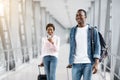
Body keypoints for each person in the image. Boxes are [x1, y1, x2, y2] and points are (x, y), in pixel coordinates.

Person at [66, 9, 101, 80]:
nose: (78, 17)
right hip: (75, 63)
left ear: (85, 17)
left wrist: (96, 63)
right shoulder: (73, 30)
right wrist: (70, 61)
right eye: (77, 15)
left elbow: (97, 46)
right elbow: (72, 47)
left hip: (88, 63)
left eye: (80, 15)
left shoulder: (93, 30)